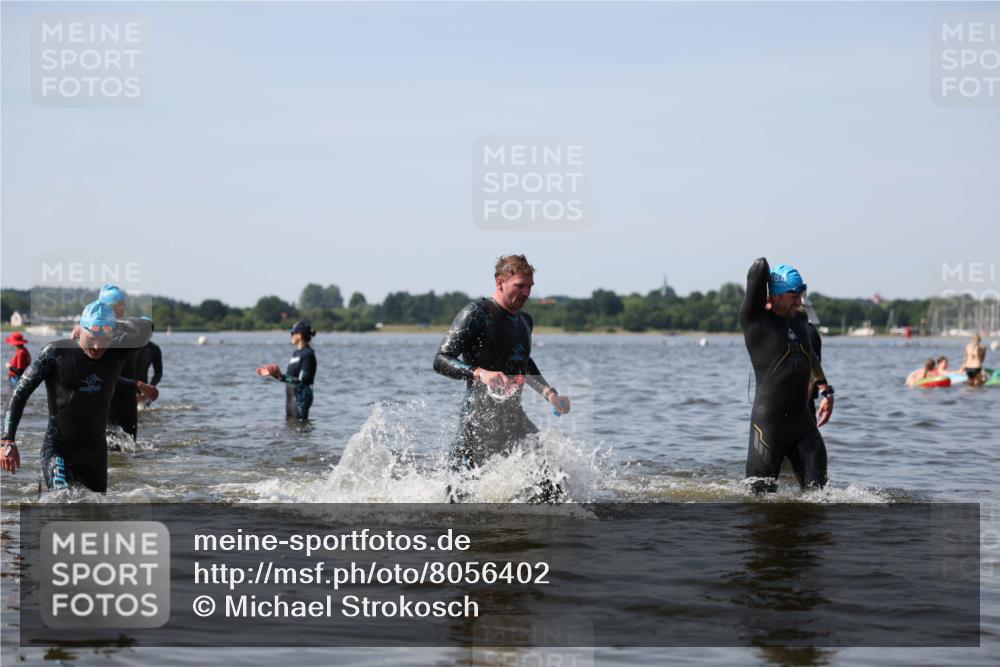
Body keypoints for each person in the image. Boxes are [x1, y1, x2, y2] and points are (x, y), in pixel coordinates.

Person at [433, 254, 571, 502]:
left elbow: (523, 362)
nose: (526, 292)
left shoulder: (525, 321)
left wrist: (550, 394)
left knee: (553, 481)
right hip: (477, 424)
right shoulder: (476, 313)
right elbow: (441, 359)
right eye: (520, 286)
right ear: (500, 283)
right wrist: (479, 372)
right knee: (458, 501)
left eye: (529, 287)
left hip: (513, 419)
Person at [0, 302, 157, 491]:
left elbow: (147, 327)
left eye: (103, 340)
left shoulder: (116, 353)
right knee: (64, 500)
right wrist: (7, 440)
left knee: (94, 511)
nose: (98, 347)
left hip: (95, 455)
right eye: (92, 339)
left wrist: (116, 323)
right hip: (58, 450)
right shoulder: (55, 353)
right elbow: (20, 392)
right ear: (80, 329)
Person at [740, 259, 834, 494]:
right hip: (769, 426)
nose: (800, 301)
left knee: (819, 496)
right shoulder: (756, 321)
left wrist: (825, 388)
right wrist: (771, 273)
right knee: (759, 500)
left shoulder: (800, 319)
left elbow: (810, 355)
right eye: (794, 295)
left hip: (803, 424)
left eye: (801, 294)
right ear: (777, 295)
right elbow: (758, 270)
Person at [99, 284, 141, 440]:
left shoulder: (128, 330)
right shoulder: (98, 333)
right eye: (116, 305)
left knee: (130, 445)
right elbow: (101, 372)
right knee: (108, 443)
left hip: (128, 394)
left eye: (123, 304)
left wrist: (137, 388)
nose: (121, 308)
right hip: (106, 394)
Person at [257, 321, 317, 420]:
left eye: (292, 333)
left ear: (300, 334)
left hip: (301, 397)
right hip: (290, 396)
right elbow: (287, 377)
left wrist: (281, 375)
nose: (291, 336)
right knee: (289, 427)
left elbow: (302, 381)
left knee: (300, 430)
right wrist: (275, 374)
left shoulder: (308, 354)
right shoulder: (296, 353)